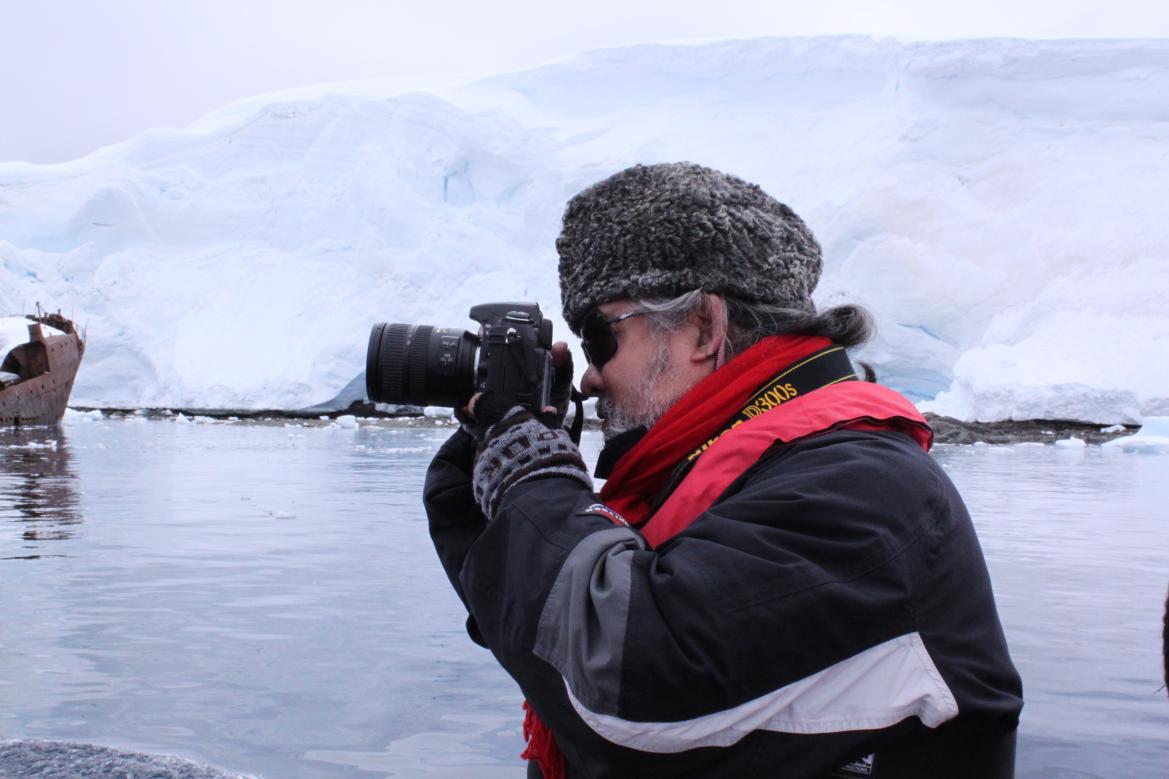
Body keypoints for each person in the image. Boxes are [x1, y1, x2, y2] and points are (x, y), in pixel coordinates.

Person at [424, 162, 1023, 778]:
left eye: (598, 339)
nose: (589, 376)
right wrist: (481, 475)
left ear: (704, 327)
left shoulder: (866, 491)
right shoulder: (732, 475)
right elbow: (550, 650)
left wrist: (535, 481)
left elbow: (631, 696)